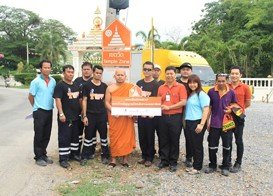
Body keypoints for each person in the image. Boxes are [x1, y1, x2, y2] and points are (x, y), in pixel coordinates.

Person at [205, 73, 237, 176]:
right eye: (219, 81)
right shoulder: (211, 91)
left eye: (223, 81)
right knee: (212, 146)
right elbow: (209, 108)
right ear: (216, 81)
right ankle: (212, 165)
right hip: (214, 123)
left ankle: (225, 166)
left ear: (227, 81)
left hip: (227, 123)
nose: (221, 83)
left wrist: (231, 110)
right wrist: (207, 121)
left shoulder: (231, 92)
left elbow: (235, 105)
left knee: (227, 146)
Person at [157, 66, 187, 172]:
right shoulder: (161, 87)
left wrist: (169, 107)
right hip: (163, 117)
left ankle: (173, 162)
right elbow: (157, 101)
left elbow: (183, 102)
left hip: (175, 117)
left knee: (174, 139)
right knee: (163, 139)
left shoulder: (181, 87)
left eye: (171, 73)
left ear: (175, 75)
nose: (169, 75)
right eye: (167, 73)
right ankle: (164, 160)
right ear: (165, 75)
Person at [105, 69, 136, 167]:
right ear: (114, 76)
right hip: (115, 116)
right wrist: (113, 110)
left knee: (126, 137)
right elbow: (106, 102)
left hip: (127, 117)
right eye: (118, 75)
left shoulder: (131, 87)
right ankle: (113, 159)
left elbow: (135, 101)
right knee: (114, 136)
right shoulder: (110, 88)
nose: (120, 76)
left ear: (125, 76)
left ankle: (125, 159)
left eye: (122, 75)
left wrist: (132, 111)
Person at [28, 60, 56, 166]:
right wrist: (36, 107)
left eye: (49, 67)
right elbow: (30, 96)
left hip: (49, 111)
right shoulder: (35, 81)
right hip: (39, 111)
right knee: (39, 134)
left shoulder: (53, 81)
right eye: (45, 67)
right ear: (41, 69)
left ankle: (44, 154)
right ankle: (38, 157)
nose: (47, 69)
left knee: (46, 134)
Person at [81, 65, 110, 165]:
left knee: (103, 136)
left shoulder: (105, 86)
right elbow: (84, 100)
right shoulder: (87, 85)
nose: (98, 75)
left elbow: (106, 102)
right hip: (90, 115)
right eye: (96, 73)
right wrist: (84, 115)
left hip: (102, 115)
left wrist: (107, 116)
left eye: (100, 73)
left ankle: (105, 155)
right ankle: (85, 155)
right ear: (93, 73)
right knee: (88, 136)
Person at [53, 65, 81, 169]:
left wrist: (82, 112)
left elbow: (79, 99)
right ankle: (63, 159)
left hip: (75, 117)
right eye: (68, 72)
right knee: (64, 137)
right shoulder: (60, 85)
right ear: (64, 73)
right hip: (65, 117)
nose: (70, 74)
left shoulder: (76, 85)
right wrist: (61, 113)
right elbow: (58, 99)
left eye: (72, 72)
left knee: (74, 137)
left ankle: (73, 155)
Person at [184, 74, 210, 174]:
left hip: (197, 122)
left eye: (194, 82)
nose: (192, 84)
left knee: (197, 145)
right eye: (190, 82)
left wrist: (201, 124)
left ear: (198, 83)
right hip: (189, 122)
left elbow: (206, 109)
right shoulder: (191, 94)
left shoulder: (201, 94)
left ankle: (197, 167)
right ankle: (195, 165)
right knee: (192, 144)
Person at [228, 66, 251, 173]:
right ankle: (227, 161)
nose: (234, 75)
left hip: (239, 116)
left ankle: (238, 162)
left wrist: (237, 110)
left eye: (236, 74)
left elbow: (247, 103)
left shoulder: (245, 87)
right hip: (227, 117)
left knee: (238, 140)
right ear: (230, 74)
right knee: (227, 140)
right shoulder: (225, 86)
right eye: (232, 73)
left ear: (240, 75)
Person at [136, 61, 159, 167]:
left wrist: (151, 113)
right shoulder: (139, 83)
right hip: (140, 114)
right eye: (145, 69)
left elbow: (157, 100)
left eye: (149, 69)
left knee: (150, 136)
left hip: (151, 115)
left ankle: (150, 157)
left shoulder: (156, 84)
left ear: (153, 71)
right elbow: (135, 99)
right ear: (142, 70)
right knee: (141, 136)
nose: (147, 71)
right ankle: (144, 155)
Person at [73, 62, 93, 159]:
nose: (86, 71)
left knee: (90, 133)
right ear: (82, 70)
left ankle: (90, 152)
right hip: (78, 111)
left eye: (88, 69)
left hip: (91, 112)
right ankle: (76, 152)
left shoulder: (95, 81)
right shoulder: (77, 81)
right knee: (78, 132)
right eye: (84, 69)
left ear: (91, 70)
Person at [177, 62, 193, 167]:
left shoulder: (194, 82)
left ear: (191, 71)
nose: (185, 71)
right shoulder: (176, 82)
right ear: (180, 71)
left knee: (189, 136)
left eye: (187, 69)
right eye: (183, 69)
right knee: (175, 136)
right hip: (177, 112)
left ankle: (189, 157)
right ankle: (174, 156)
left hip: (190, 113)